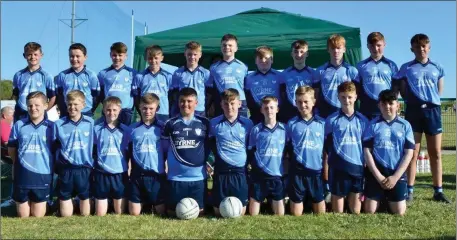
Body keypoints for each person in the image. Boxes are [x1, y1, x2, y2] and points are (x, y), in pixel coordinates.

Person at [393, 34, 450, 203]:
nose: (421, 49)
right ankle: (409, 190)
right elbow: (400, 88)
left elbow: (439, 91)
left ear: (429, 47)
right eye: (417, 47)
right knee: (412, 152)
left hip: (432, 111)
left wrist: (429, 102)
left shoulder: (437, 67)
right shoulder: (406, 68)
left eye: (424, 46)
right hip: (413, 112)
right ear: (412, 49)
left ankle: (438, 191)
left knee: (435, 153)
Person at [315, 34, 359, 201]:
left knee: (347, 149)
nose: (336, 51)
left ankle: (351, 189)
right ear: (328, 49)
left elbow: (356, 94)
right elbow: (316, 94)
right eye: (333, 48)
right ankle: (327, 186)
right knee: (326, 152)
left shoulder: (352, 71)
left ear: (344, 49)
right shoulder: (320, 70)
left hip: (346, 115)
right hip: (327, 115)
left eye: (339, 47)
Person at [363, 89, 415, 215]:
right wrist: (379, 177)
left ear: (398, 105)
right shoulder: (373, 125)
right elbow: (367, 152)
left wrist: (395, 177)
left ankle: (388, 198)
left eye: (391, 103)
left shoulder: (405, 125)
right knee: (369, 211)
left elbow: (409, 153)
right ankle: (381, 197)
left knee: (399, 212)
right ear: (379, 105)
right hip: (377, 174)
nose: (387, 106)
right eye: (384, 103)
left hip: (396, 173)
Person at [162, 88, 210, 217]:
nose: (186, 104)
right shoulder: (170, 123)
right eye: (182, 101)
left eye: (189, 101)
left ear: (196, 103)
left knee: (199, 213)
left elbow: (209, 147)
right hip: (176, 179)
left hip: (198, 178)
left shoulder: (205, 123)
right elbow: (164, 149)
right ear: (178, 103)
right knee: (173, 213)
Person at [7, 92, 54, 217]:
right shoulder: (19, 125)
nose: (33, 108)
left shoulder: (52, 127)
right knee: (23, 216)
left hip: (42, 177)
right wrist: (18, 164)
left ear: (45, 105)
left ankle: (50, 205)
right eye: (30, 106)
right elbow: (11, 149)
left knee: (37, 216)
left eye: (37, 105)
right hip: (22, 176)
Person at [324, 81, 368, 214]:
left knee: (356, 211)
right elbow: (327, 147)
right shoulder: (331, 120)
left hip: (357, 168)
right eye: (343, 97)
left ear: (355, 97)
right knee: (338, 213)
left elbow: (366, 147)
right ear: (338, 97)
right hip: (338, 167)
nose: (346, 100)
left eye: (349, 97)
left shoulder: (363, 120)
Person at [209, 88, 253, 216]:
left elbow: (250, 147)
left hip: (240, 172)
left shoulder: (248, 124)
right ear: (221, 104)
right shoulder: (214, 123)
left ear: (239, 104)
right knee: (218, 212)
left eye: (232, 103)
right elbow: (210, 145)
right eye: (226, 103)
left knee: (241, 211)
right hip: (221, 172)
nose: (229, 107)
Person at [53, 90, 95, 217]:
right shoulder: (58, 124)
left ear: (83, 105)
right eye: (69, 104)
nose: (72, 107)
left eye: (76, 104)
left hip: (84, 167)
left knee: (85, 202)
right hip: (66, 168)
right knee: (65, 205)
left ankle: (82, 208)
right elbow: (55, 146)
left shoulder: (91, 123)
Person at [286, 86, 326, 215]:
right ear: (295, 103)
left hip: (316, 171)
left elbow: (326, 151)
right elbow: (287, 150)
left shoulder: (323, 123)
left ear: (313, 101)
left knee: (320, 214)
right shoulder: (291, 124)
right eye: (299, 102)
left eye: (306, 102)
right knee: (296, 214)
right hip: (297, 171)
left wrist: (325, 169)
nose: (303, 105)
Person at [127, 93, 167, 216]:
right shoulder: (132, 129)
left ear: (157, 109)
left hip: (156, 176)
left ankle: (151, 202)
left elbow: (167, 152)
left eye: (151, 108)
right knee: (134, 213)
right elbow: (128, 152)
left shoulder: (163, 128)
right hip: (137, 176)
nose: (147, 111)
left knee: (161, 212)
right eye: (144, 108)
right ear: (139, 107)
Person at [248, 96, 287, 216]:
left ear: (277, 109)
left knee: (280, 214)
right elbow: (251, 151)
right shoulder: (256, 130)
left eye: (271, 107)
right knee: (253, 214)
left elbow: (288, 151)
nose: (269, 110)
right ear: (261, 110)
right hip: (259, 175)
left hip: (277, 175)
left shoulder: (284, 129)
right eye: (266, 108)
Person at [93, 96, 130, 216]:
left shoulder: (126, 130)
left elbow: (129, 153)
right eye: (108, 110)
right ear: (103, 110)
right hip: (102, 172)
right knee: (100, 214)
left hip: (119, 173)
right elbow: (93, 151)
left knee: (119, 212)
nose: (111, 113)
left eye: (114, 110)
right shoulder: (96, 129)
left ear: (119, 111)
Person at [356, 32, 399, 120]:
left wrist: (391, 104)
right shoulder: (360, 66)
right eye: (372, 46)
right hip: (366, 110)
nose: (375, 48)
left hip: (386, 111)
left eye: (379, 45)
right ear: (367, 46)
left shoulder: (392, 65)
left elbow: (396, 88)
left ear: (384, 44)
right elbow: (356, 88)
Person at [207, 34, 249, 118]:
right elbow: (210, 90)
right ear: (221, 47)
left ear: (236, 48)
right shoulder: (213, 67)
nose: (227, 47)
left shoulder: (243, 66)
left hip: (240, 104)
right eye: (224, 45)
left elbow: (246, 88)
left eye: (230, 45)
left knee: (242, 129)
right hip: (222, 103)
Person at [55, 43, 101, 118]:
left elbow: (96, 97)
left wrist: (90, 110)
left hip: (86, 114)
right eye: (71, 56)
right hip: (67, 114)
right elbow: (59, 96)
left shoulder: (91, 75)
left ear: (85, 57)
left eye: (78, 56)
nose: (74, 59)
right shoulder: (62, 75)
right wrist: (63, 110)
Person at [12, 42, 55, 121]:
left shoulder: (47, 75)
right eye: (29, 54)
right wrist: (22, 106)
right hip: (21, 113)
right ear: (24, 55)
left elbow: (52, 97)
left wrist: (44, 110)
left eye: (35, 54)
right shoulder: (18, 75)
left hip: (39, 114)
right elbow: (16, 95)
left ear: (41, 55)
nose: (32, 57)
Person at [97, 42, 137, 125]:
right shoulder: (103, 73)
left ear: (126, 56)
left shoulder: (132, 73)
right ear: (110, 55)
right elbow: (99, 94)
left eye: (120, 55)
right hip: (109, 111)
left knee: (124, 135)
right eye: (114, 55)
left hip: (125, 111)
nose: (117, 58)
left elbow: (136, 94)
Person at [279, 40, 317, 123]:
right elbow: (282, 95)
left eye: (302, 52)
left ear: (307, 54)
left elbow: (316, 95)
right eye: (296, 52)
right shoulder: (284, 74)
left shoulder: (313, 73)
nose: (299, 55)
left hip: (308, 113)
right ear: (291, 54)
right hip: (289, 114)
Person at [132, 45, 173, 123]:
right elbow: (136, 98)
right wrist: (142, 111)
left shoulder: (168, 76)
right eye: (150, 58)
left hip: (163, 113)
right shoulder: (139, 76)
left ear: (162, 58)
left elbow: (171, 98)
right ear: (146, 58)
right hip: (146, 114)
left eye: (156, 58)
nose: (153, 61)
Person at [170, 41, 210, 117]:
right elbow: (174, 94)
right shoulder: (178, 73)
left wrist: (205, 107)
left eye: (195, 54)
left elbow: (209, 94)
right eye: (189, 54)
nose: (192, 57)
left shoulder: (206, 73)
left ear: (200, 55)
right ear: (185, 54)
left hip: (199, 110)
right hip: (183, 110)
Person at [245, 46, 281, 125]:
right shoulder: (248, 78)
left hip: (277, 116)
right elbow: (247, 98)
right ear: (255, 61)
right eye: (260, 58)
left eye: (266, 58)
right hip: (256, 116)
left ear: (272, 60)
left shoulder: (280, 76)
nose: (263, 60)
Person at [0, 106, 15, 208]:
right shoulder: (4, 125)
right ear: (4, 115)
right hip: (7, 158)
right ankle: (13, 197)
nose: (13, 117)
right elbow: (7, 143)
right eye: (12, 115)